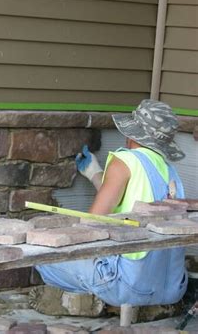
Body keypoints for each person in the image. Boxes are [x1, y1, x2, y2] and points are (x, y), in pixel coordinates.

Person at [36, 99, 188, 307]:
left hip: (129, 285)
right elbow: (129, 202)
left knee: (43, 259)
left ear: (132, 133)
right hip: (171, 286)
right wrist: (94, 173)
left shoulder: (124, 161)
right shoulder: (170, 172)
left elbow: (92, 222)